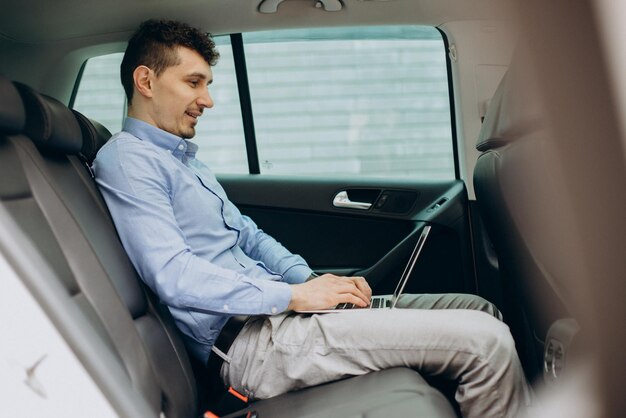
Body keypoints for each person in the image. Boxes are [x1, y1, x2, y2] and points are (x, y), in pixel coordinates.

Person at [93, 19, 532, 418]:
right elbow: (172, 274)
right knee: (486, 343)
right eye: (194, 83)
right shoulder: (129, 160)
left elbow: (248, 235)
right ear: (145, 80)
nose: (207, 100)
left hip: (283, 320)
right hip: (254, 345)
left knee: (481, 311)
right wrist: (291, 296)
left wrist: (311, 282)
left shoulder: (186, 161)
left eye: (207, 84)